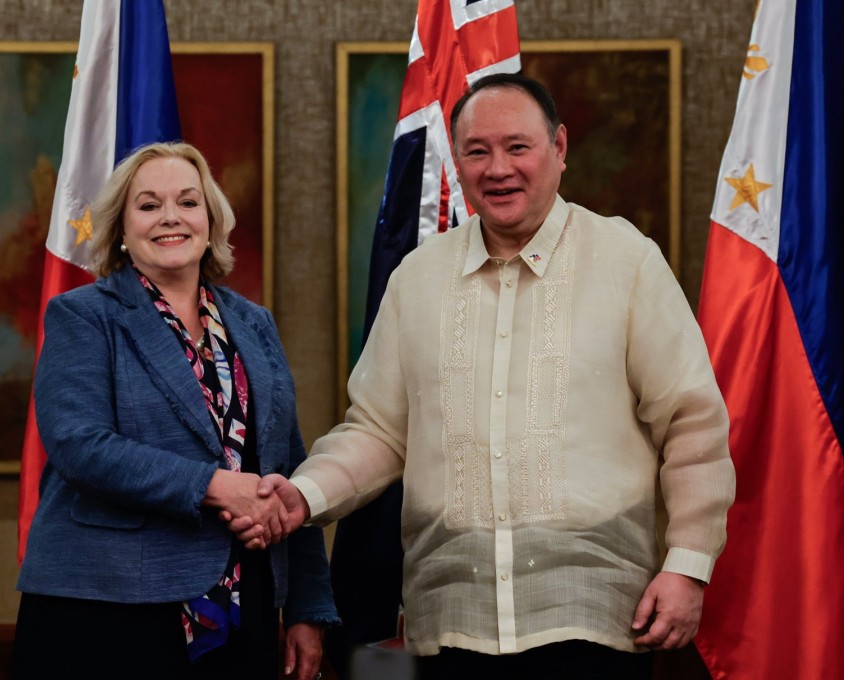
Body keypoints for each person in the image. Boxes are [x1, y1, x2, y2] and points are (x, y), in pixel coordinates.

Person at [232, 73, 735, 679]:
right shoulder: (417, 279)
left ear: (561, 148)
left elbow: (693, 425)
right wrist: (301, 494)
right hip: (451, 625)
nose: (498, 168)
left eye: (517, 147)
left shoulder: (627, 261)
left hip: (593, 618)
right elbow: (379, 433)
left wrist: (686, 565)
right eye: (477, 150)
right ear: (459, 159)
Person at [12, 141, 338, 680]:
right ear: (121, 227)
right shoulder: (84, 316)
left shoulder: (254, 324)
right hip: (108, 609)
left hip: (247, 604)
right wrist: (217, 486)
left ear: (211, 221)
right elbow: (78, 443)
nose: (170, 217)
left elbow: (289, 466)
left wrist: (306, 606)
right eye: (148, 205)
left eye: (188, 202)